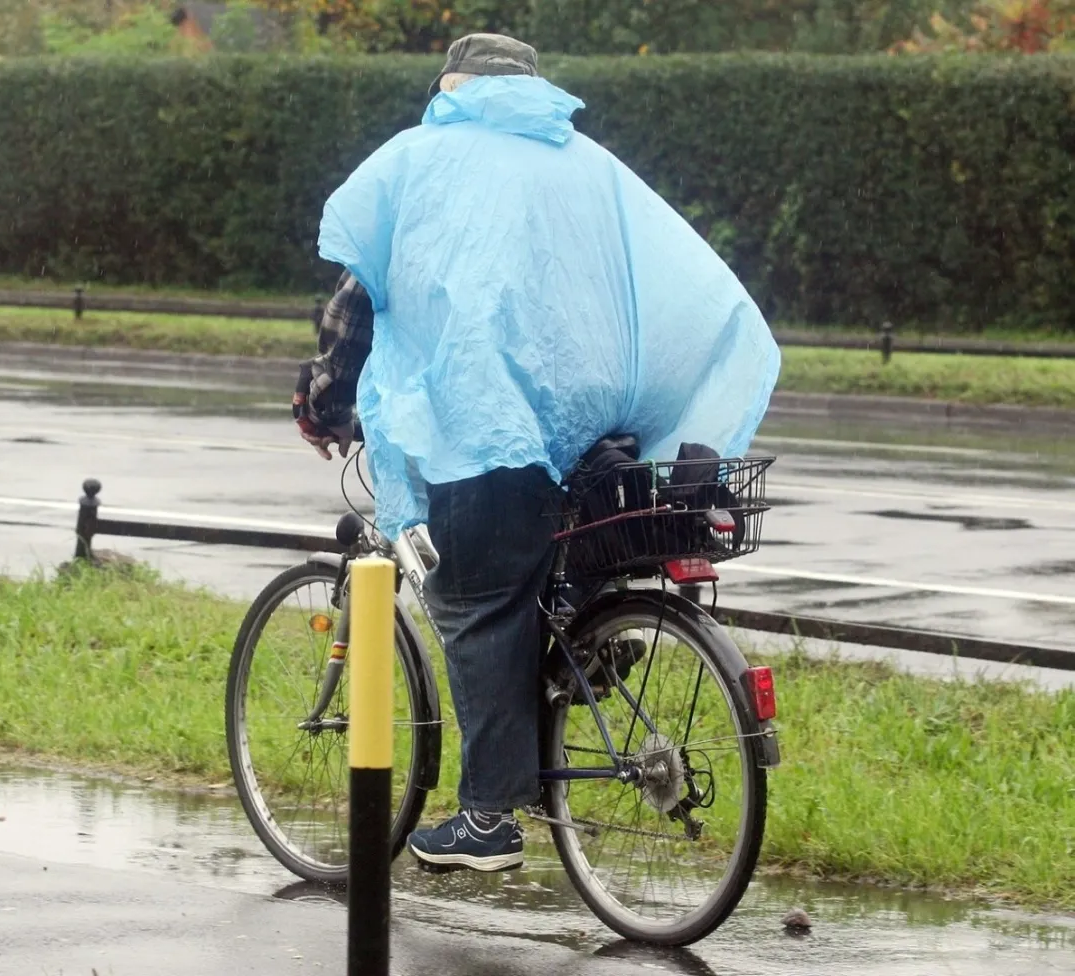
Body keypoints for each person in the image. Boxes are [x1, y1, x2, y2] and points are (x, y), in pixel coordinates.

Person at [294, 34, 780, 872]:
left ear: (453, 86)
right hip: (593, 426)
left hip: (492, 428)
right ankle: (578, 654)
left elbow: (360, 303)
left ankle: (488, 820)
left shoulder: (422, 161)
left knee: (472, 599)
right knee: (538, 576)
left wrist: (324, 402)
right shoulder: (588, 164)